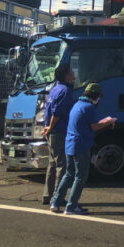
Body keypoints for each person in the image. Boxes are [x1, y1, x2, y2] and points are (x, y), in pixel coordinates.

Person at [50, 83, 116, 215]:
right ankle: (72, 206)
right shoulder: (88, 107)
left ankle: (55, 203)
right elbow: (95, 126)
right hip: (81, 145)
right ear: (96, 96)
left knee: (69, 174)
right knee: (80, 176)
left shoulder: (77, 105)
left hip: (69, 144)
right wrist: (109, 121)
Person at [41, 63, 75, 206]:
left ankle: (47, 195)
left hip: (51, 131)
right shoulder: (65, 91)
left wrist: (47, 127)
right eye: (71, 71)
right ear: (67, 75)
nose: (74, 73)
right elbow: (58, 113)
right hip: (59, 130)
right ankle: (57, 196)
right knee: (62, 164)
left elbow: (49, 110)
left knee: (52, 164)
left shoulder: (55, 89)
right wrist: (51, 127)